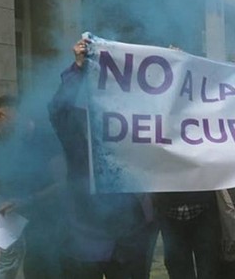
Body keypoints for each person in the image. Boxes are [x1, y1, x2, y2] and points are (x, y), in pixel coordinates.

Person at [48, 38, 155, 278]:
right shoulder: (74, 129)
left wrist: (171, 68)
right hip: (84, 234)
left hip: (128, 234)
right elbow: (58, 109)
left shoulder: (134, 127)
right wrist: (77, 68)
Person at [0, 95, 65, 279]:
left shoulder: (47, 140)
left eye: (0, 115)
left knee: (46, 269)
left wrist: (28, 200)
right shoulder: (5, 145)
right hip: (16, 226)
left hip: (49, 226)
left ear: (16, 113)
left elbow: (62, 184)